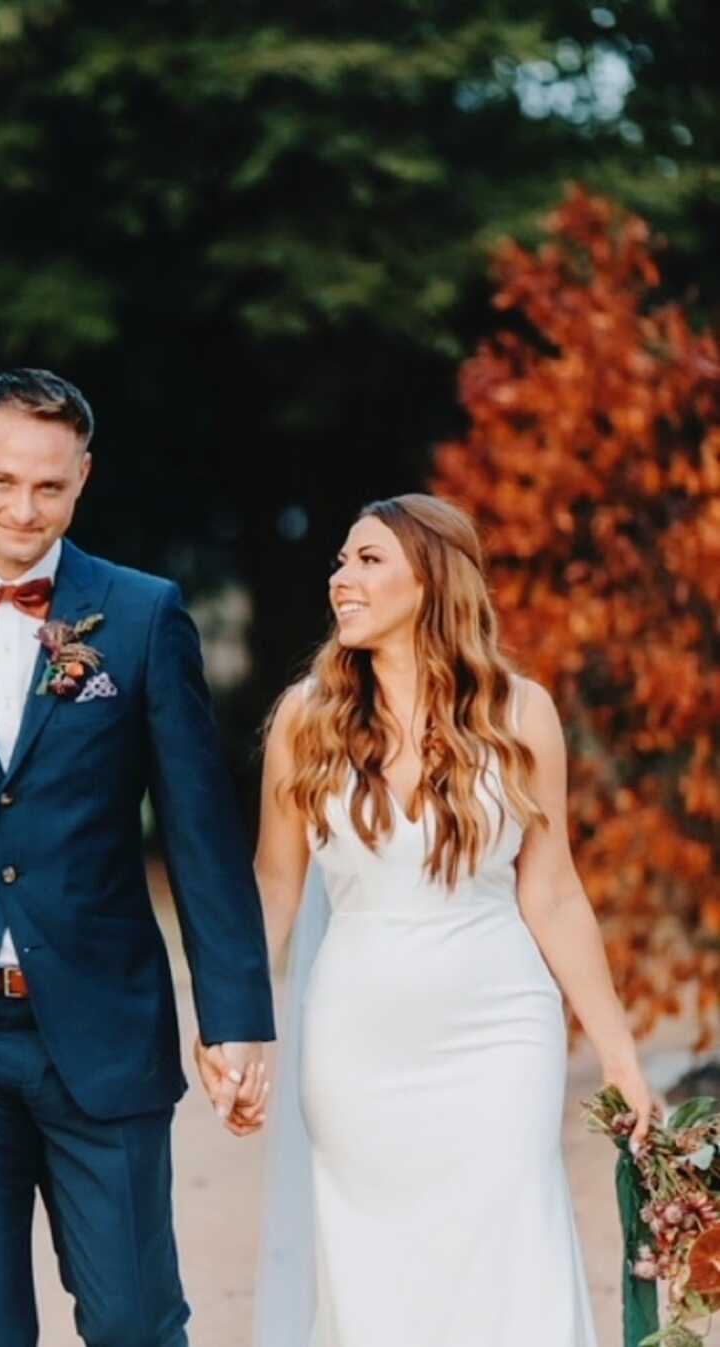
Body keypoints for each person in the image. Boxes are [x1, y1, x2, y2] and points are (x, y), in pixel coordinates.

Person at [0, 367, 274, 1347]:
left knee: (137, 1324)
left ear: (83, 479)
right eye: (3, 482)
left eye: (50, 487)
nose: (25, 509)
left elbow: (200, 831)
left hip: (102, 1032)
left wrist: (236, 1016)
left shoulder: (144, 615)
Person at [251, 493, 652, 1347]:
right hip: (357, 1042)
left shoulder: (520, 713)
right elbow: (275, 888)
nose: (341, 579)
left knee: (511, 1254)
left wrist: (619, 1052)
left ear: (432, 580)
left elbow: (553, 892)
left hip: (499, 1030)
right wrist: (236, 1029)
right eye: (340, 561)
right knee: (375, 1276)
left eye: (368, 560)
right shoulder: (304, 719)